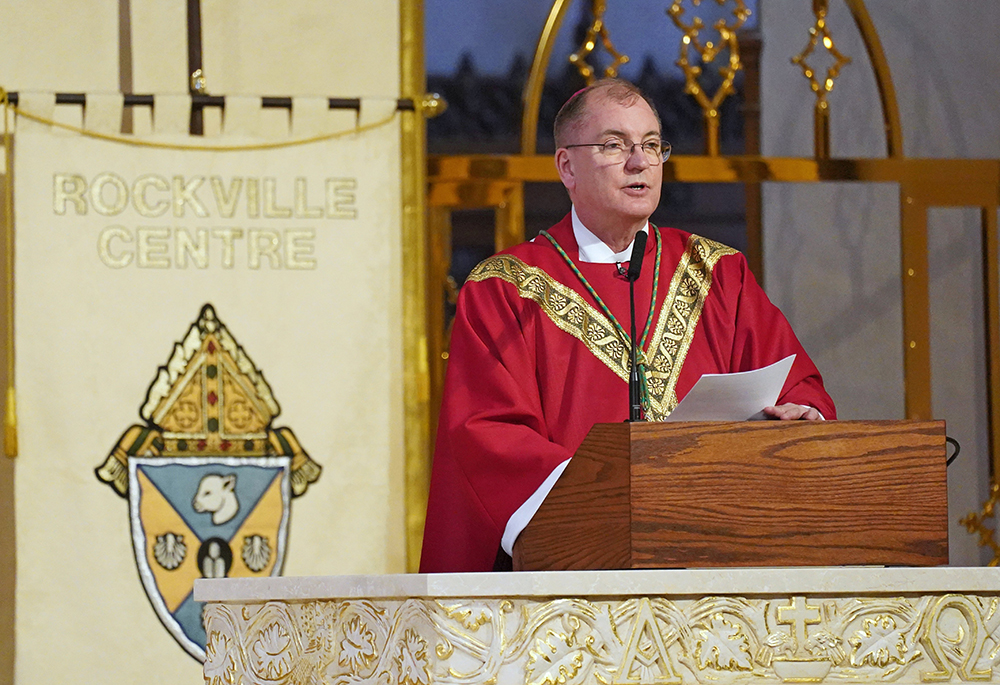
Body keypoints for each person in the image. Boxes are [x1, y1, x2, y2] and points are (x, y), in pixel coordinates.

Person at [419, 79, 836, 573]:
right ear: (567, 166)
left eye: (653, 145)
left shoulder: (717, 273)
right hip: (575, 577)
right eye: (614, 145)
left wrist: (800, 414)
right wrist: (612, 498)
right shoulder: (505, 290)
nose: (639, 162)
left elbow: (798, 386)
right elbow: (488, 436)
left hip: (715, 560)